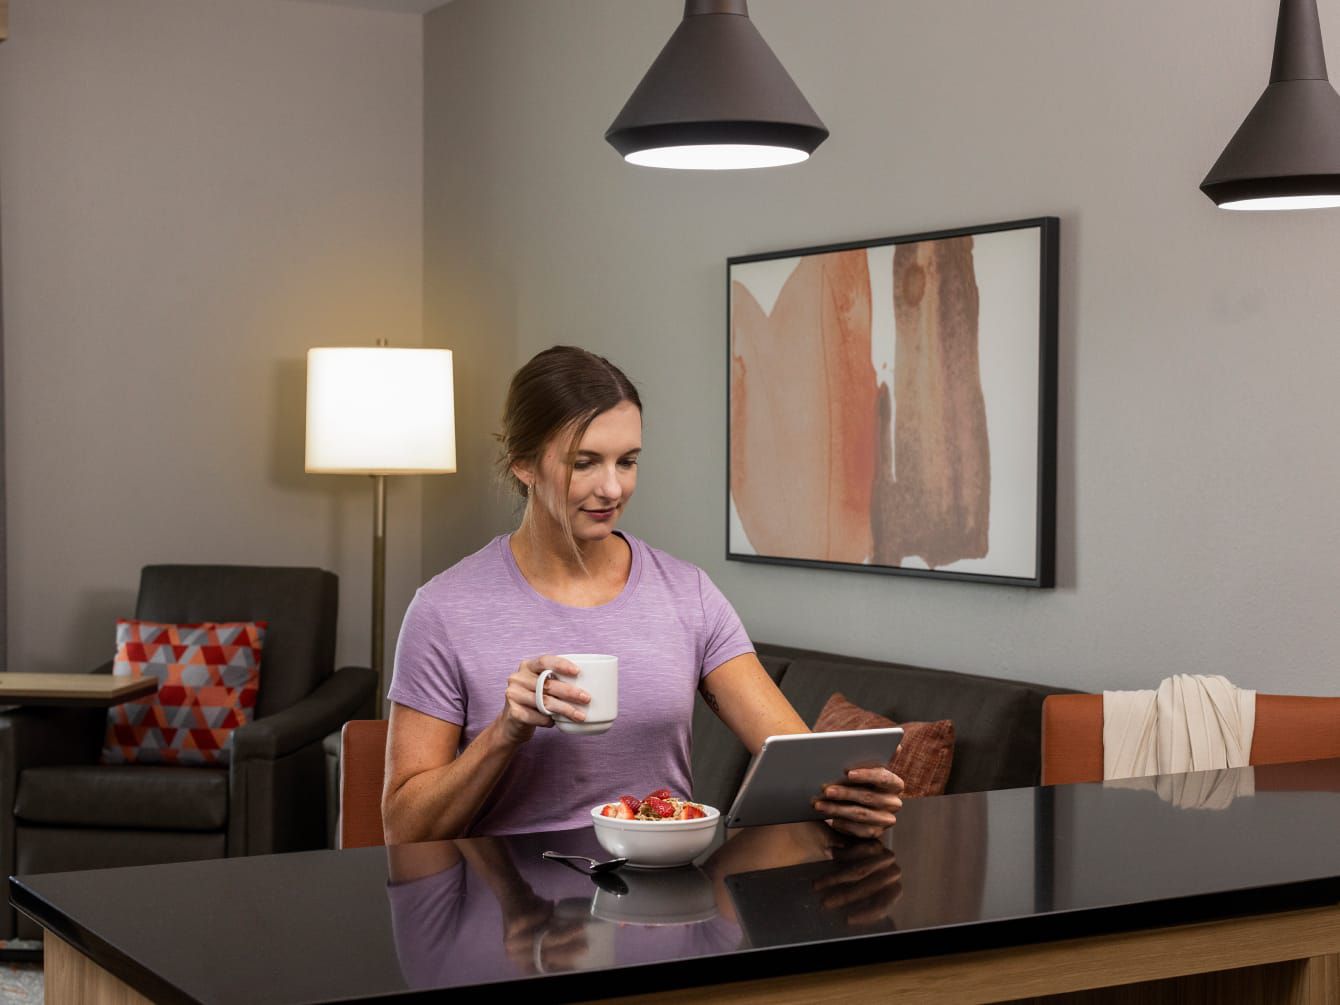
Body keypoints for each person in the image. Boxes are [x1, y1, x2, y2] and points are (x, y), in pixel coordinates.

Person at [382, 345, 903, 843]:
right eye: (584, 463)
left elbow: (794, 761)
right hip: (509, 910)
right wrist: (506, 731)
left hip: (663, 895)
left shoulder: (687, 594)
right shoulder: (444, 609)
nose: (612, 489)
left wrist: (848, 802)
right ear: (523, 463)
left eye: (626, 461)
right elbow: (403, 829)